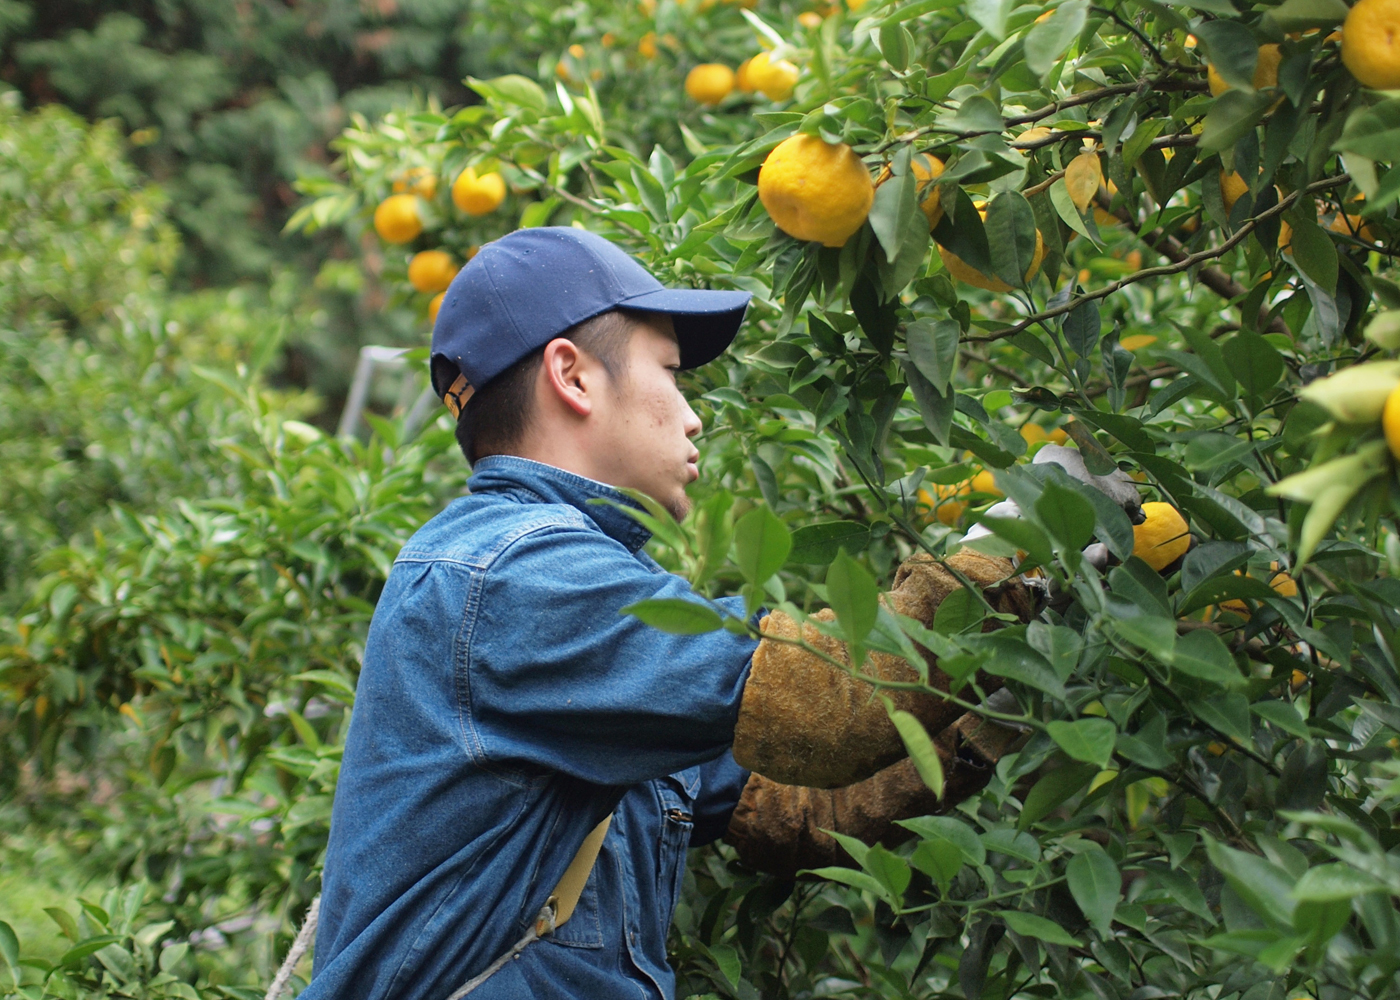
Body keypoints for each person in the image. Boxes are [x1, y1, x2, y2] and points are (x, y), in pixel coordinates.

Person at [302, 227, 1030, 1000]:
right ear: (573, 377)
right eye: (672, 375)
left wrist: (1004, 701)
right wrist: (998, 564)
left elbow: (792, 810)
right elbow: (821, 704)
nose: (693, 418)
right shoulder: (523, 576)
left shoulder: (587, 603)